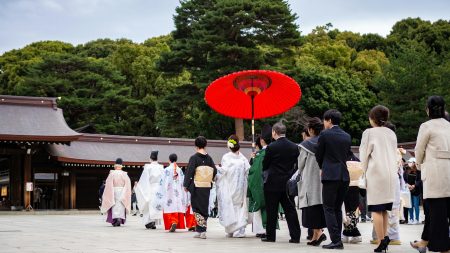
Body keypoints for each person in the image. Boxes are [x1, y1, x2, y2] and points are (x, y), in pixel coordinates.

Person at [413, 95, 450, 253]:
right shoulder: (449, 125)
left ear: (428, 109)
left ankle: (443, 247)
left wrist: (419, 166)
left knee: (437, 212)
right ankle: (425, 241)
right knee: (440, 210)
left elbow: (419, 150)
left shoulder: (426, 126)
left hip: (434, 171)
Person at [359, 105, 398, 252]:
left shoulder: (369, 133)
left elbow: (364, 155)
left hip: (376, 174)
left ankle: (381, 241)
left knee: (375, 209)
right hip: (390, 175)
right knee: (384, 209)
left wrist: (363, 172)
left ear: (372, 118)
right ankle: (385, 237)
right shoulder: (391, 133)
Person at [316, 109, 352, 250]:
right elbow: (348, 154)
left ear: (329, 120)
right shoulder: (346, 136)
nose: (324, 123)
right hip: (344, 175)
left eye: (325, 120)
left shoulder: (325, 134)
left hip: (330, 174)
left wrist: (322, 167)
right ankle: (338, 239)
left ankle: (336, 240)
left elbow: (319, 154)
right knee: (337, 208)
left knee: (328, 208)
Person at [261, 122, 301, 243]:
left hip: (272, 182)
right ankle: (295, 236)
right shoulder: (294, 146)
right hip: (288, 183)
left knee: (271, 210)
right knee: (290, 210)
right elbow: (296, 165)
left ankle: (271, 236)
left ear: (274, 132)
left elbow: (265, 164)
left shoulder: (271, 147)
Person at [371, 123, 403, 246]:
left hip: (383, 177)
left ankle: (386, 236)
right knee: (391, 208)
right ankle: (387, 235)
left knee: (381, 208)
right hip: (393, 178)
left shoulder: (386, 149)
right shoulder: (395, 149)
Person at [297, 117, 327, 246]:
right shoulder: (325, 143)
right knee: (319, 205)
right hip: (323, 178)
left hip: (310, 178)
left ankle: (318, 233)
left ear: (310, 130)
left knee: (311, 206)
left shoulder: (306, 145)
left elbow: (300, 164)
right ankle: (315, 236)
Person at [183, 136, 217, 239]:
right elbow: (214, 170)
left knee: (197, 207)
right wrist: (208, 179)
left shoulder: (194, 157)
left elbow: (189, 172)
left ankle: (201, 231)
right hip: (206, 186)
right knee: (204, 207)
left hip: (197, 186)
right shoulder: (209, 158)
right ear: (205, 145)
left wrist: (186, 184)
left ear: (196, 145)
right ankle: (201, 230)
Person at [216, 135, 250, 238]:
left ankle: (231, 229)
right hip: (240, 186)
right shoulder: (242, 158)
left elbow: (223, 171)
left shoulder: (226, 157)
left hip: (230, 185)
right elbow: (248, 170)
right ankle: (239, 230)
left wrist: (216, 169)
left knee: (230, 206)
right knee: (239, 206)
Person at [248, 125, 272, 238]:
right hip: (272, 184)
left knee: (260, 208)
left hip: (261, 185)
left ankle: (263, 230)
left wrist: (253, 160)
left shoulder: (260, 155)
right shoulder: (273, 151)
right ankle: (268, 229)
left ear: (262, 141)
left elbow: (254, 173)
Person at [136, 151, 165, 229]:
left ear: (150, 158)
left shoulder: (148, 167)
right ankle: (153, 222)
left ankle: (149, 222)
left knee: (149, 204)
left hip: (150, 187)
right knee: (155, 205)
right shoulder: (161, 167)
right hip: (159, 189)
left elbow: (144, 179)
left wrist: (140, 187)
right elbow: (163, 179)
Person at [100, 158, 132, 227]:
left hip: (113, 191)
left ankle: (115, 220)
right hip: (122, 192)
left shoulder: (112, 174)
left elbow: (108, 185)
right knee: (121, 205)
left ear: (115, 165)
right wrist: (125, 193)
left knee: (114, 205)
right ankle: (119, 219)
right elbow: (128, 185)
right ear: (121, 165)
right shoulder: (124, 174)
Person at [161, 153, 187, 232]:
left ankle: (173, 221)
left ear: (169, 160)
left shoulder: (166, 170)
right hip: (178, 192)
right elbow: (183, 182)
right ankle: (175, 221)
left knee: (169, 206)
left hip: (169, 191)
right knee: (176, 205)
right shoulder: (180, 170)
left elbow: (162, 182)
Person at [405, 158, 422, 225]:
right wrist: (407, 185)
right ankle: (411, 219)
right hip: (408, 190)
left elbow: (419, 180)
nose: (409, 163)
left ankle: (417, 219)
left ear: (414, 163)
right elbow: (404, 180)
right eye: (408, 162)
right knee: (410, 205)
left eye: (410, 162)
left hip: (416, 190)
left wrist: (414, 185)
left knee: (416, 205)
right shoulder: (406, 171)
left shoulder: (418, 171)